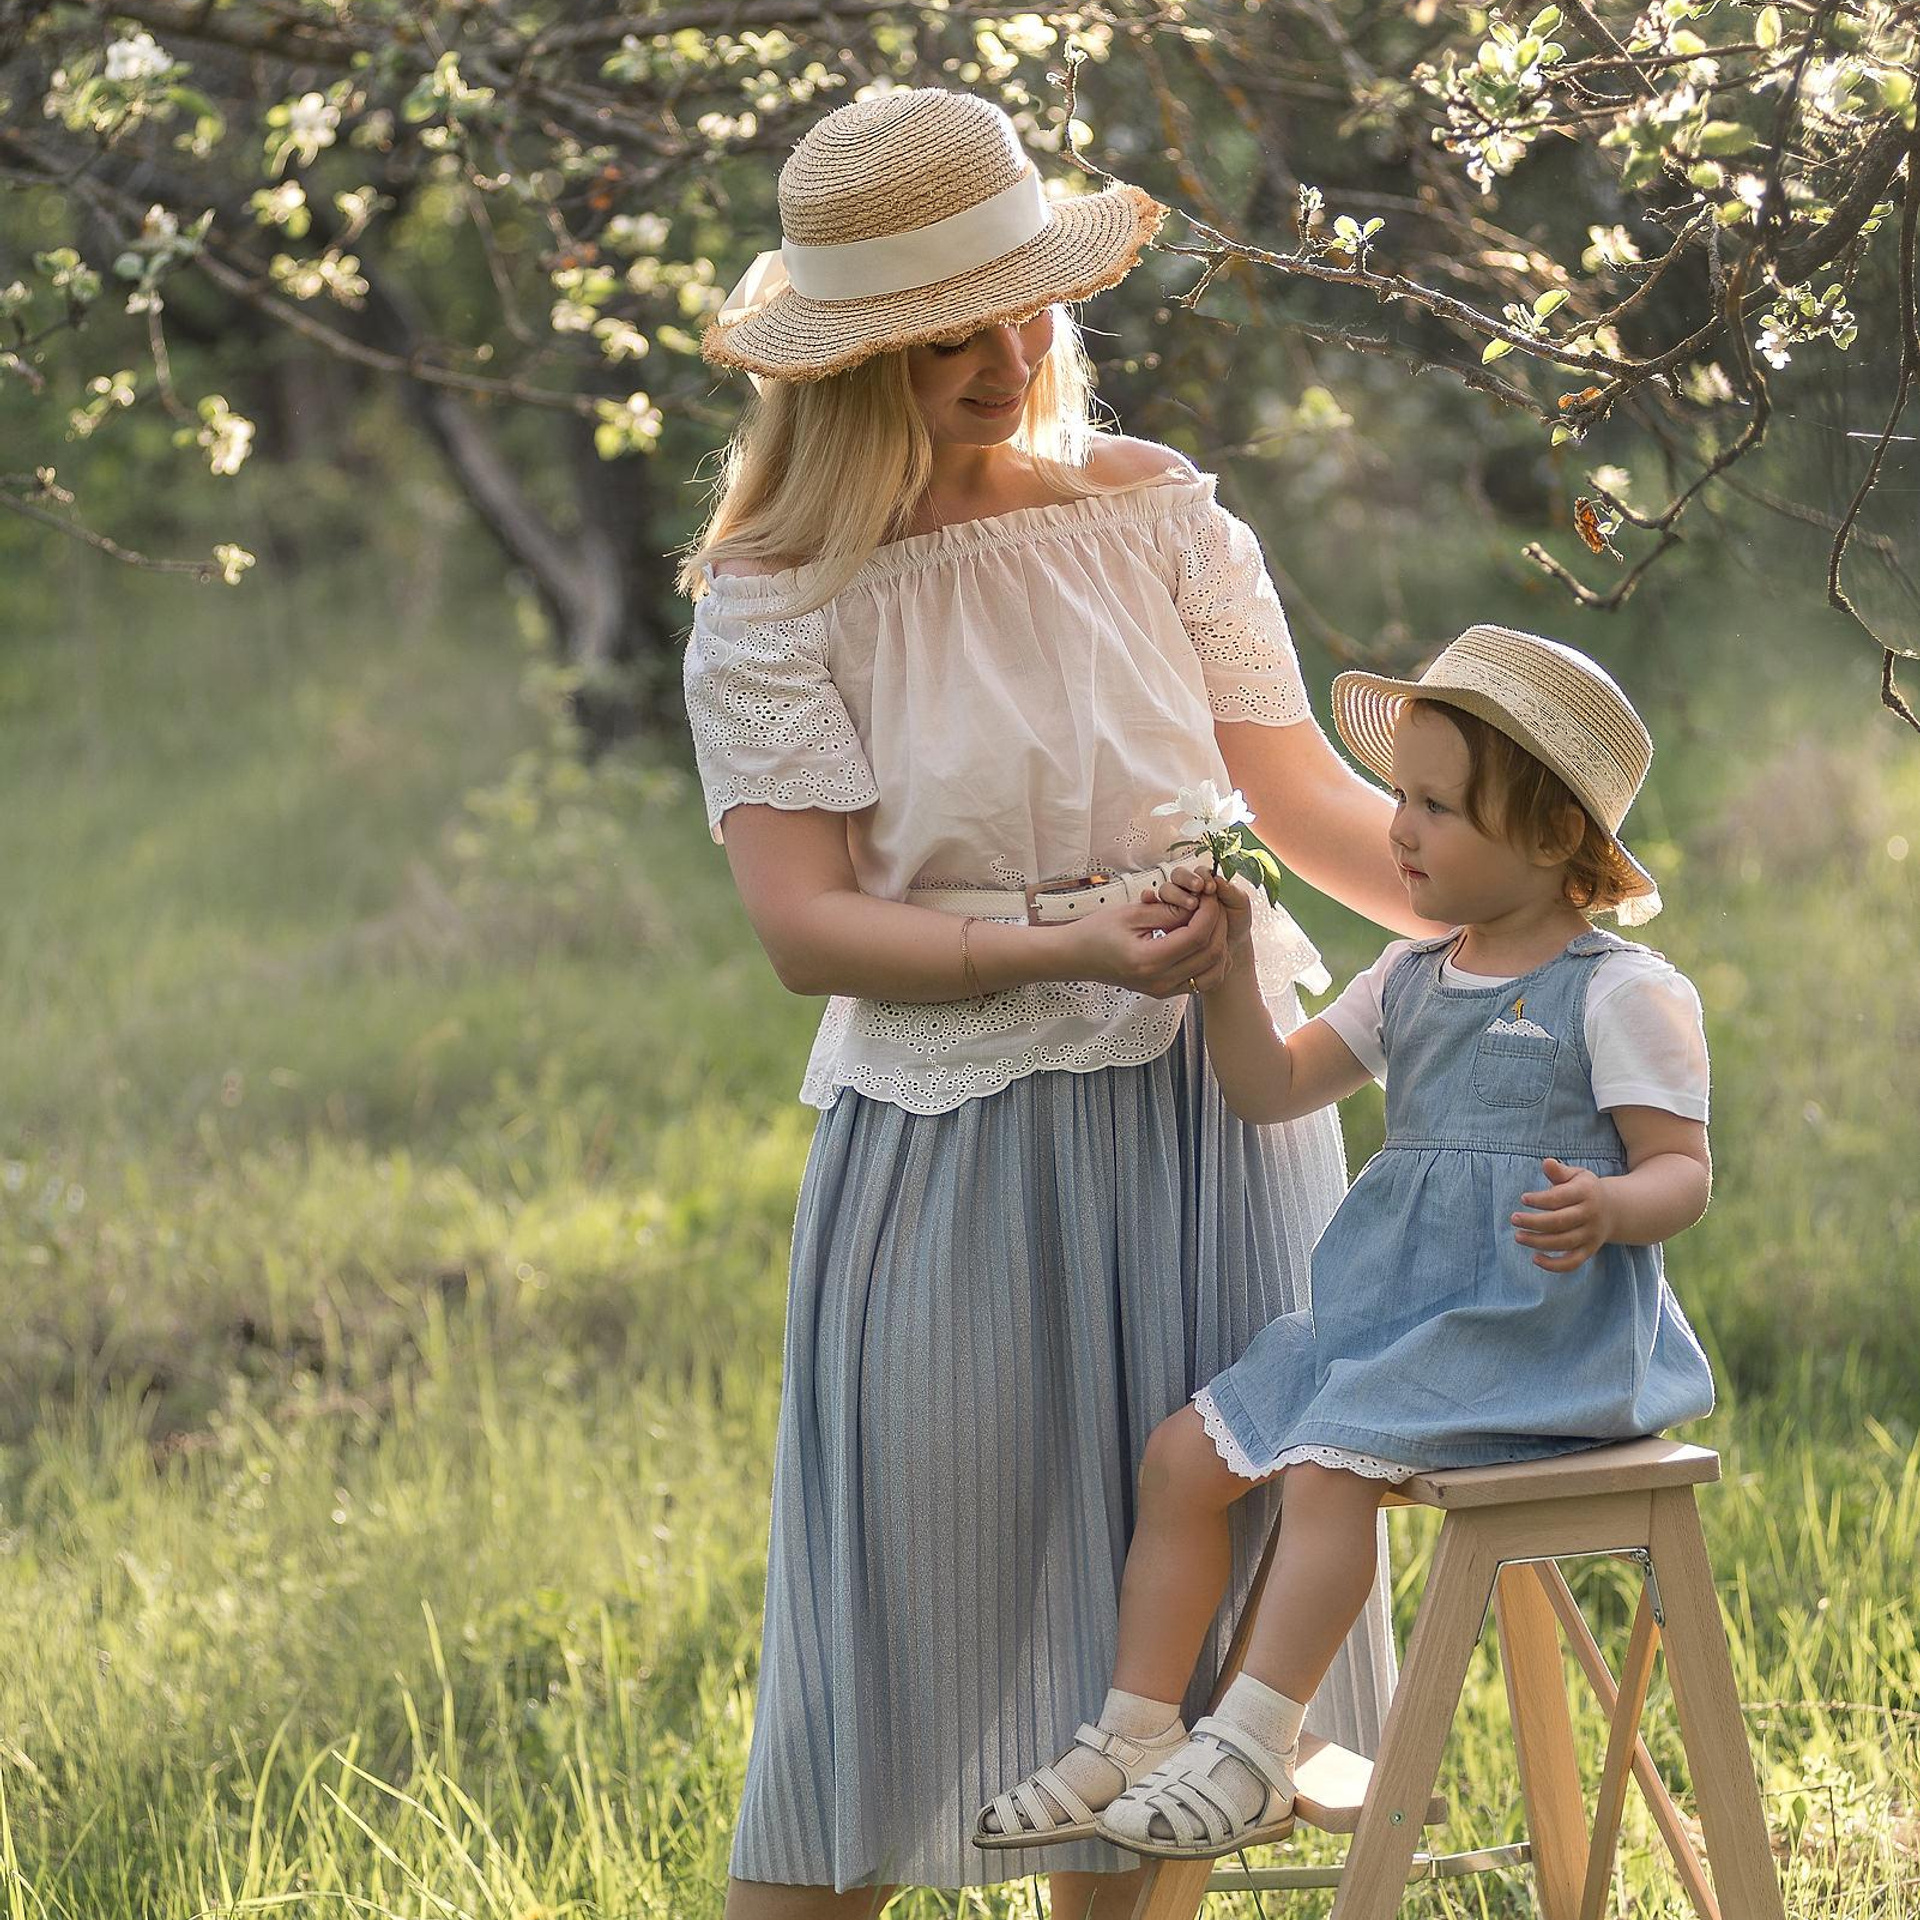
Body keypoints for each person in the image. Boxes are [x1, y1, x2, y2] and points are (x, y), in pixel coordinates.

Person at [681, 86, 1432, 1919]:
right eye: (946, 336)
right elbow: (809, 926)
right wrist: (1076, 943)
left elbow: (1307, 807)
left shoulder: (1160, 514)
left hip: (1223, 1117)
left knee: (1173, 1676)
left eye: (1023, 308)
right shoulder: (778, 597)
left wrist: (1545, 907)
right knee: (885, 1669)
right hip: (957, 1140)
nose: (1006, 355)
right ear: (845, 363)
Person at [976, 625, 1716, 1862]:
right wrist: (1227, 983)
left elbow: (1684, 1173)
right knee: (1181, 1458)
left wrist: (1612, 1209)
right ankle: (1138, 1730)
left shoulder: (1621, 991)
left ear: (1546, 838)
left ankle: (1258, 1741)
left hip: (1535, 1333)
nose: (1400, 831)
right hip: (1387, 1322)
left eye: (1436, 806)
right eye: (1400, 798)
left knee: (1328, 1465)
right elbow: (1273, 1087)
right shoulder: (1414, 975)